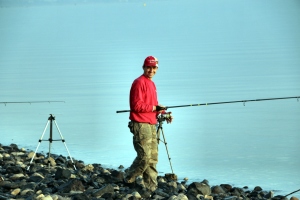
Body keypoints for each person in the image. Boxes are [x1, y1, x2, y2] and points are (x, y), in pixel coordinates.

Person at [124, 56, 173, 196]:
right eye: (148, 67)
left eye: (154, 68)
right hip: (140, 124)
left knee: (152, 158)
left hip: (151, 123)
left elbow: (154, 104)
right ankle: (129, 177)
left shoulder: (151, 84)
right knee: (144, 156)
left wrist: (165, 113)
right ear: (143, 67)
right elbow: (136, 105)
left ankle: (151, 187)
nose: (151, 70)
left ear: (157, 69)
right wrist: (154, 108)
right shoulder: (139, 82)